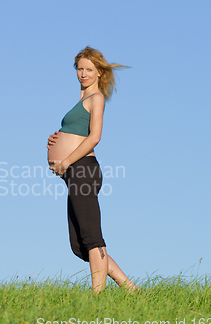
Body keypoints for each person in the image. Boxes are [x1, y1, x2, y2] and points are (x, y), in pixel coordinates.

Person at [47, 46, 139, 294]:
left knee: (92, 237)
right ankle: (131, 290)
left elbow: (95, 137)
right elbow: (78, 133)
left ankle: (97, 298)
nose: (83, 74)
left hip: (83, 170)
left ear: (99, 72)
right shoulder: (81, 100)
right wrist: (57, 140)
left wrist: (65, 160)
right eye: (80, 69)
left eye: (89, 69)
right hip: (73, 174)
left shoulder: (96, 98)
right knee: (79, 245)